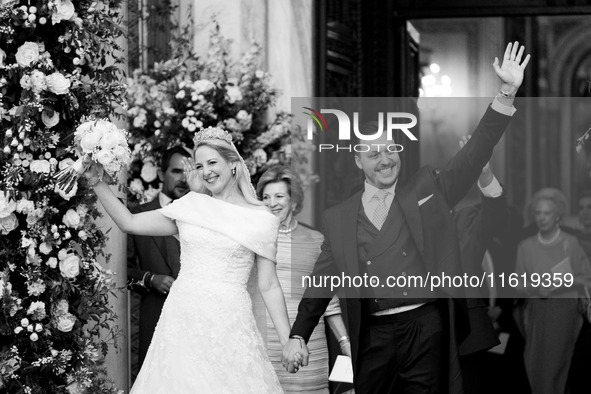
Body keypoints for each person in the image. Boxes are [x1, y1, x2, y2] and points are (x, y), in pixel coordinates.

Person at [283, 41, 530, 394]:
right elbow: (321, 283)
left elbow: (475, 152)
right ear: (358, 161)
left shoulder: (428, 187)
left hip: (425, 325)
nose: (385, 159)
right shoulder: (338, 217)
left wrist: (506, 93)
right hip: (374, 332)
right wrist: (298, 334)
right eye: (373, 154)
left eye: (390, 149)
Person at [85, 127, 291, 393]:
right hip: (181, 321)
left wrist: (289, 340)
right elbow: (129, 222)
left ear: (233, 165)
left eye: (213, 162)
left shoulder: (261, 218)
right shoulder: (191, 205)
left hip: (229, 323)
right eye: (200, 165)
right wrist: (96, 181)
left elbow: (269, 286)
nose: (206, 171)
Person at [257, 166, 351, 394]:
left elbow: (328, 300)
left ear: (294, 201)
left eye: (279, 196)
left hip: (309, 341)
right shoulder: (255, 241)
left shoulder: (316, 239)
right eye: (266, 197)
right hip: (264, 341)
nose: (272, 203)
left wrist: (345, 342)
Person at [514, 188, 591, 394]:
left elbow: (586, 277)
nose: (541, 218)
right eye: (538, 213)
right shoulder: (525, 247)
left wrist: (566, 281)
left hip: (565, 314)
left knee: (559, 368)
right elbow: (517, 284)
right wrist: (535, 288)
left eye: (546, 213)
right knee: (535, 366)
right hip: (537, 315)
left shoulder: (571, 243)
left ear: (557, 216)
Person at [127, 146, 191, 369]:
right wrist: (150, 279)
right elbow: (122, 272)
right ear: (162, 174)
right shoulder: (137, 214)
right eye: (177, 171)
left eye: (189, 172)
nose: (184, 179)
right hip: (156, 318)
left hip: (198, 323)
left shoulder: (204, 217)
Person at [452, 139, 508, 394]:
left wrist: (484, 174)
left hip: (467, 336)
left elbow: (492, 213)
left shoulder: (466, 219)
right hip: (425, 337)